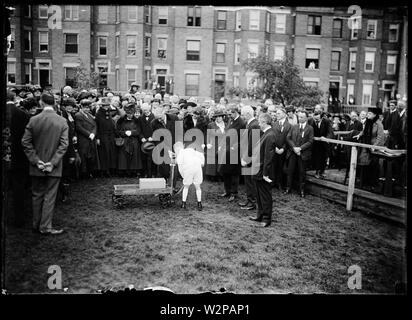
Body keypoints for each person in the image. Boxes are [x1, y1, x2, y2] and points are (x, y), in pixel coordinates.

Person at [21, 93, 69, 235]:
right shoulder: (61, 121)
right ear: (54, 103)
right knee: (50, 196)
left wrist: (36, 161)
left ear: (41, 103)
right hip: (53, 166)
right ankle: (45, 226)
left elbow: (25, 142)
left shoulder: (33, 120)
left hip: (37, 165)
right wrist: (52, 163)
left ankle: (36, 225)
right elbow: (64, 145)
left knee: (37, 195)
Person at [248, 113, 276, 228]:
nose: (259, 124)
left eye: (260, 122)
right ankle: (260, 215)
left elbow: (268, 157)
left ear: (265, 122)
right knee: (259, 194)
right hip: (258, 170)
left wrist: (265, 173)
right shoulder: (267, 134)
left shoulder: (270, 135)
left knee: (265, 195)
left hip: (264, 172)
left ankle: (266, 218)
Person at [8, 90, 31, 227]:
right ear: (14, 98)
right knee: (18, 189)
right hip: (18, 157)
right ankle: (19, 218)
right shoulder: (23, 114)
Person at [218, 105, 246, 202]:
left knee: (234, 173)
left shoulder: (242, 123)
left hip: (235, 151)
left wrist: (236, 146)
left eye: (230, 114)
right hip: (227, 150)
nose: (229, 116)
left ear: (235, 112)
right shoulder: (230, 120)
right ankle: (227, 191)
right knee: (226, 171)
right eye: (228, 114)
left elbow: (243, 138)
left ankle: (234, 193)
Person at [284, 111, 314, 197]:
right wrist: (294, 148)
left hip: (303, 153)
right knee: (290, 170)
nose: (300, 119)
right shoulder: (294, 127)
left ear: (306, 118)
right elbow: (288, 138)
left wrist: (300, 148)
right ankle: (288, 188)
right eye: (299, 117)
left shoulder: (310, 128)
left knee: (302, 172)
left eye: (302, 117)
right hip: (293, 152)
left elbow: (310, 141)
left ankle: (302, 190)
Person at [239, 105, 260, 210]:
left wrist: (247, 158)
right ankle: (249, 200)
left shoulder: (254, 125)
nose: (242, 117)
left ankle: (253, 202)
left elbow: (252, 144)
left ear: (248, 114)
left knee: (251, 181)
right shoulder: (251, 124)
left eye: (243, 115)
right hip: (248, 156)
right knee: (248, 181)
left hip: (251, 159)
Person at [173, 141, 205, 211]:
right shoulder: (190, 150)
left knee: (186, 186)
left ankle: (183, 204)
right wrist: (202, 163)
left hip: (188, 169)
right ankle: (199, 204)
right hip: (197, 167)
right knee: (198, 187)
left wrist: (184, 176)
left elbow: (180, 168)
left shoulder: (180, 154)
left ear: (177, 149)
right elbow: (201, 155)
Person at [75, 99, 100, 179]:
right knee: (84, 156)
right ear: (81, 107)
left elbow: (95, 125)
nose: (87, 109)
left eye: (88, 108)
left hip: (91, 138)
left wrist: (93, 133)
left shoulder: (89, 115)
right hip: (83, 139)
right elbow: (79, 127)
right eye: (85, 108)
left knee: (91, 155)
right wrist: (89, 134)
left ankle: (90, 172)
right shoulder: (78, 115)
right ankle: (83, 173)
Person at [116, 103, 142, 177]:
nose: (130, 115)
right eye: (128, 113)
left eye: (131, 113)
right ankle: (124, 171)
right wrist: (124, 133)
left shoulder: (137, 120)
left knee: (134, 157)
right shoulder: (121, 120)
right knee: (123, 157)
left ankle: (133, 171)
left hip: (134, 141)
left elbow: (139, 130)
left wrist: (132, 132)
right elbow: (117, 131)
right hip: (124, 141)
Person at [95, 97, 118, 177]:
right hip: (102, 135)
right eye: (104, 105)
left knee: (111, 152)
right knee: (104, 153)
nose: (106, 107)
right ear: (101, 106)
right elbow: (97, 126)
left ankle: (111, 169)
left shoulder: (109, 112)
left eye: (107, 105)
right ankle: (104, 170)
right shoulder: (98, 114)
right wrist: (97, 137)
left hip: (110, 135)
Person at [272, 107, 292, 191]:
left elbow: (288, 139)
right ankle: (273, 182)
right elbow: (271, 137)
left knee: (281, 167)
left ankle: (279, 183)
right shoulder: (274, 124)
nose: (277, 115)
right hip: (274, 149)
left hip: (283, 150)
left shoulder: (289, 126)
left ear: (284, 114)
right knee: (273, 166)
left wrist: (283, 149)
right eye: (276, 113)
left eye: (279, 113)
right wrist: (275, 147)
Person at [205, 107, 226, 180]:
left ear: (223, 117)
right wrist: (207, 143)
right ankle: (213, 176)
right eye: (217, 116)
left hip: (223, 144)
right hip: (214, 144)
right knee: (214, 161)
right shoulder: (211, 125)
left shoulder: (226, 125)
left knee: (222, 159)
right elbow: (208, 135)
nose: (218, 118)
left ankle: (221, 175)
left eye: (220, 116)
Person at [311, 111, 333, 179]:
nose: (316, 121)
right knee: (317, 157)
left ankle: (322, 172)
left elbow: (330, 132)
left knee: (324, 158)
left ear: (321, 118)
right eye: (315, 119)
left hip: (324, 143)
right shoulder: (313, 121)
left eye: (317, 119)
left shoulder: (326, 121)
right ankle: (317, 172)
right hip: (316, 143)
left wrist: (326, 138)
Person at [138, 103, 155, 178]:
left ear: (149, 108)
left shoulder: (154, 117)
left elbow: (157, 129)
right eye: (143, 110)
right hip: (143, 141)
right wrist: (141, 138)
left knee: (151, 158)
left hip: (153, 141)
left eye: (146, 110)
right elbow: (139, 130)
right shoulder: (140, 118)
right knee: (144, 158)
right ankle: (144, 173)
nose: (145, 111)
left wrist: (153, 137)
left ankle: (151, 174)